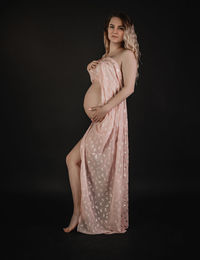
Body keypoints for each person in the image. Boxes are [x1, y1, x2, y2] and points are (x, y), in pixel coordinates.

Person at [63, 11, 141, 234]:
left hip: (110, 118)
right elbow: (103, 86)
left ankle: (81, 213)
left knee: (72, 159)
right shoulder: (106, 56)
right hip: (99, 121)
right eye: (111, 27)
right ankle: (78, 211)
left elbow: (128, 88)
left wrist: (105, 108)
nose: (115, 31)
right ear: (106, 31)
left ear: (127, 32)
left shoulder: (127, 55)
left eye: (120, 27)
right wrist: (92, 71)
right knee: (72, 160)